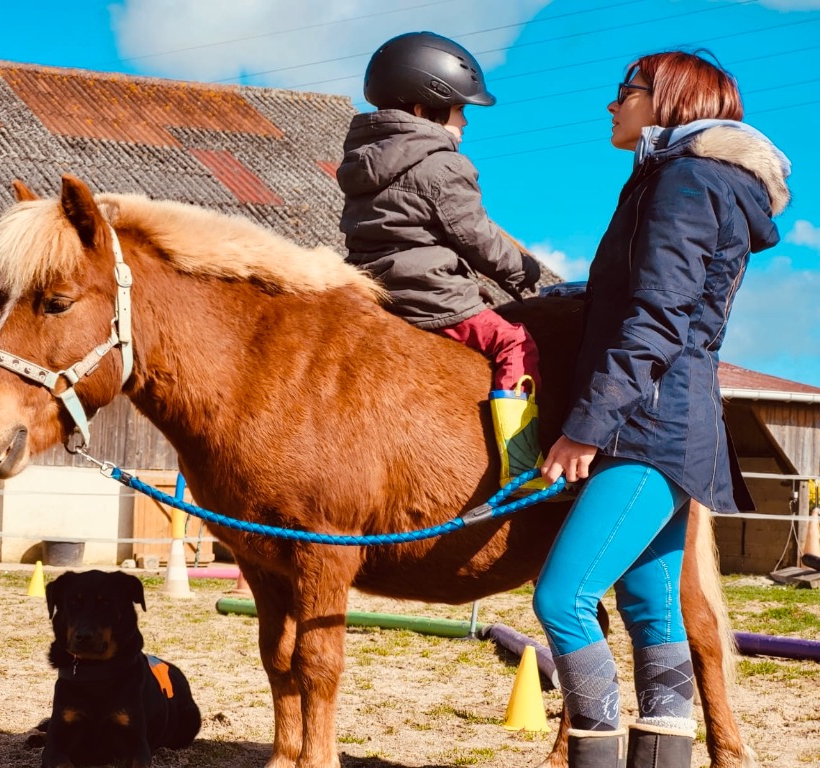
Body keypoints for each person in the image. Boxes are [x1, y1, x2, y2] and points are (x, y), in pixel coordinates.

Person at [534, 51, 790, 768]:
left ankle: (594, 753)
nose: (613, 104)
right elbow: (647, 296)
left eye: (627, 91)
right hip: (670, 422)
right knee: (652, 610)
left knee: (561, 600)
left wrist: (585, 426)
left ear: (670, 99)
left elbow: (659, 319)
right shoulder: (679, 179)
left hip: (648, 426)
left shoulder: (685, 181)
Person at [337, 31, 546, 490]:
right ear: (421, 109)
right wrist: (527, 276)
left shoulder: (362, 163)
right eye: (459, 109)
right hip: (431, 296)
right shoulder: (443, 164)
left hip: (375, 291)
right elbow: (479, 239)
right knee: (514, 342)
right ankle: (523, 464)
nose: (465, 122)